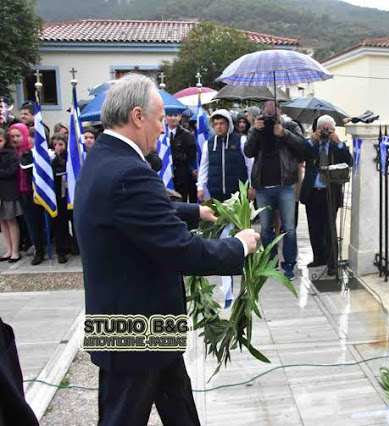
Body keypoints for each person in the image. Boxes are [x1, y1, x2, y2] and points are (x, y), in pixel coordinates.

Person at [73, 73, 260, 426]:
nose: (163, 129)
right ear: (137, 116)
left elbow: (136, 213)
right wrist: (238, 246)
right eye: (160, 119)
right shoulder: (128, 172)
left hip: (142, 322)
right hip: (135, 331)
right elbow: (181, 250)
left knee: (180, 408)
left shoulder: (105, 158)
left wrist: (194, 211)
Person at [244, 101, 306, 280]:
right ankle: (271, 261)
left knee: (289, 228)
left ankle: (289, 265)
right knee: (266, 229)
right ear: (261, 114)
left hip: (285, 185)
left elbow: (302, 146)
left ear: (279, 113)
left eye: (273, 114)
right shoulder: (257, 128)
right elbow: (248, 151)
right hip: (263, 187)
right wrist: (255, 131)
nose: (270, 118)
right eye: (267, 114)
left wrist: (284, 134)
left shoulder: (290, 126)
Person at [300, 115, 353, 275]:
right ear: (317, 130)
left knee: (330, 228)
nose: (325, 134)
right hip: (313, 192)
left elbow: (349, 162)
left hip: (331, 192)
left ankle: (332, 263)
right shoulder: (311, 144)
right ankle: (319, 258)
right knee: (314, 228)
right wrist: (311, 140)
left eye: (329, 131)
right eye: (323, 130)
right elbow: (300, 154)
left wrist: (339, 143)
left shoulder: (337, 146)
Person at [196, 109, 253, 203]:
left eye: (222, 123)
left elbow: (250, 164)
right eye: (216, 124)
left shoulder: (241, 140)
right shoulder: (208, 144)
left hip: (238, 193)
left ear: (228, 124)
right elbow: (203, 167)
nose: (218, 127)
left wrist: (251, 186)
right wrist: (200, 187)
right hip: (215, 192)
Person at [17, 126, 46, 265]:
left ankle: (60, 249)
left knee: (50, 224)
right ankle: (39, 251)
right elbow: (26, 168)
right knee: (34, 225)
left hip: (47, 193)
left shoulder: (49, 153)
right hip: (30, 194)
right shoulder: (27, 153)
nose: (32, 139)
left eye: (36, 136)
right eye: (31, 136)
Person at [0, 127, 23, 262]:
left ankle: (15, 250)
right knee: (2, 221)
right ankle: (8, 249)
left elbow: (11, 172)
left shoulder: (11, 154)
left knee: (11, 220)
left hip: (8, 191)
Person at [51, 134, 74, 264]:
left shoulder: (69, 157)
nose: (57, 147)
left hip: (68, 194)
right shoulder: (50, 157)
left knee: (71, 221)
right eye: (55, 145)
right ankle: (61, 251)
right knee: (58, 224)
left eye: (60, 144)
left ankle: (73, 244)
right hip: (56, 195)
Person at [166, 112, 197, 202]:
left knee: (181, 198)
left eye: (175, 115)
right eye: (170, 115)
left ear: (180, 117)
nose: (173, 118)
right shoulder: (161, 134)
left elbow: (192, 155)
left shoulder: (187, 135)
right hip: (166, 173)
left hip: (182, 174)